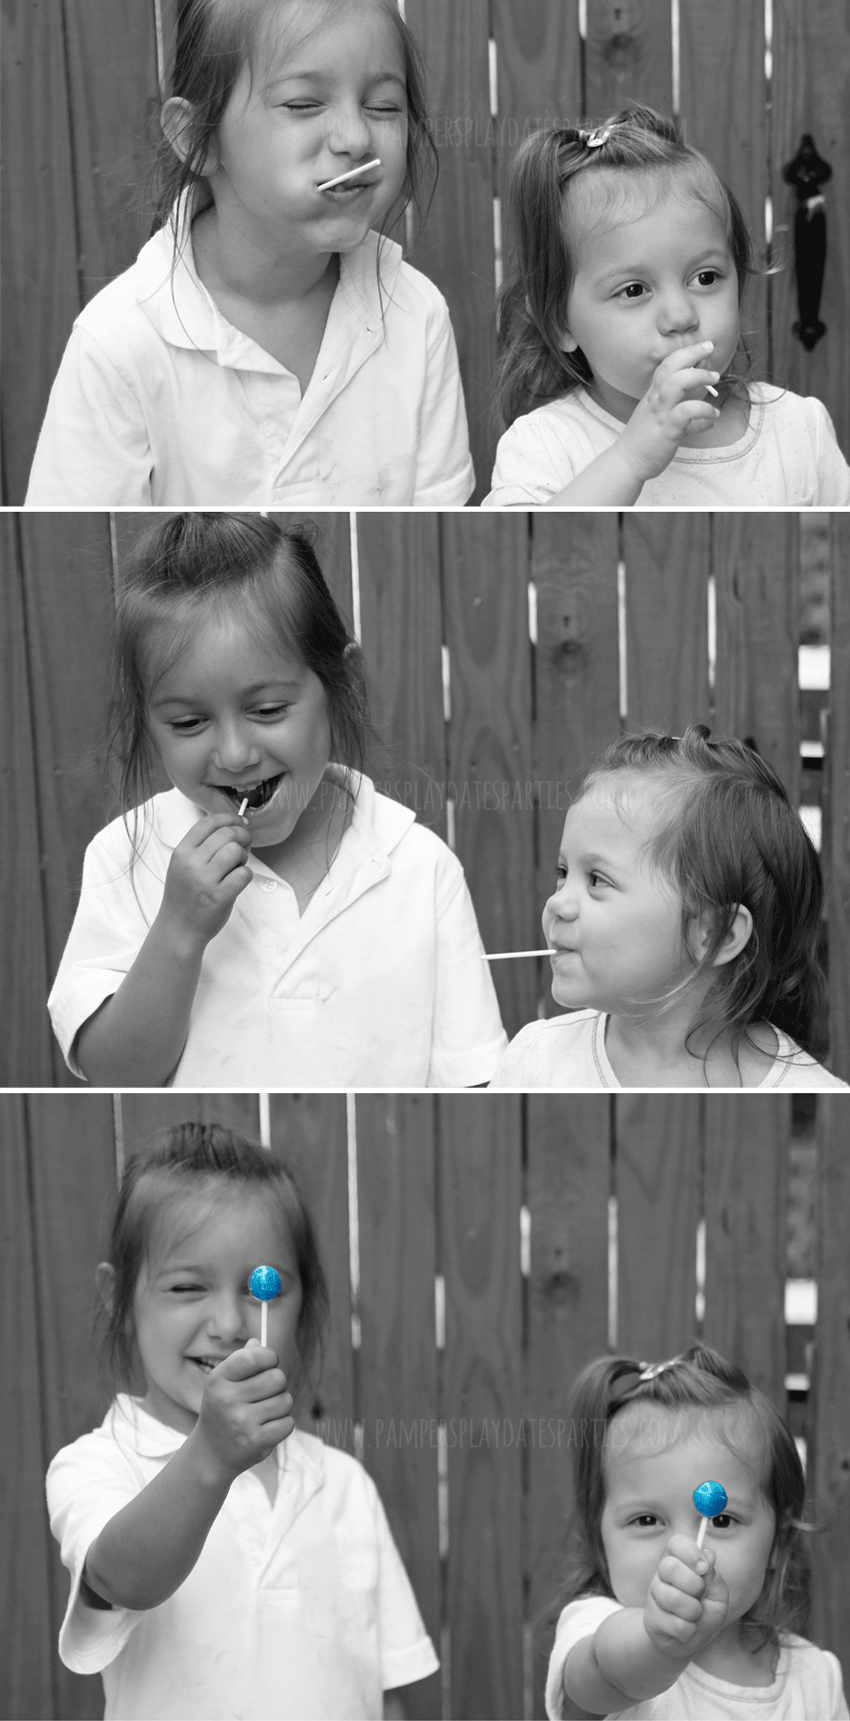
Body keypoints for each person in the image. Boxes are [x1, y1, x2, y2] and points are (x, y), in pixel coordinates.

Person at [48, 513, 506, 1090]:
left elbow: (473, 1079)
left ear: (343, 684)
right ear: (148, 720)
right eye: (189, 722)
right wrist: (179, 929)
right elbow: (113, 1072)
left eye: (267, 711)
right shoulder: (125, 857)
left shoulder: (419, 866)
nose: (236, 754)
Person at [26, 0, 474, 510]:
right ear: (197, 140)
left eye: (383, 107)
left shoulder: (417, 314)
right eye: (304, 104)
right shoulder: (118, 344)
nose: (357, 138)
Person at [46, 1116, 439, 1719]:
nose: (229, 1324)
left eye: (263, 1290)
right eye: (185, 1288)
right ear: (118, 1301)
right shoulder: (97, 1465)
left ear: (303, 1301)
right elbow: (121, 1578)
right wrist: (210, 1455)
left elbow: (385, 1691)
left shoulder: (343, 1484)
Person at [485, 105, 850, 508]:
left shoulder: (798, 429)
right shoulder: (545, 446)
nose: (681, 316)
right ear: (559, 323)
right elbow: (531, 558)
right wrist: (630, 460)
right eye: (634, 290)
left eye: (705, 278)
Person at [488, 727, 848, 1090]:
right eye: (563, 873)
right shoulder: (535, 1061)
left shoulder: (812, 1090)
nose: (557, 903)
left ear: (713, 934)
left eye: (597, 879)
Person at [544, 1342, 849, 1716]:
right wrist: (658, 1645)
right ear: (600, 1534)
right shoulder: (593, 1627)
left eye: (721, 1520)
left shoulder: (816, 1677)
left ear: (777, 1543)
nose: (684, 1550)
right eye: (646, 1520)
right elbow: (603, 1675)